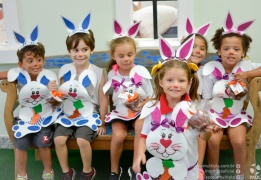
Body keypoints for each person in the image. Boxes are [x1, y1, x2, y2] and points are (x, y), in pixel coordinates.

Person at [133, 36, 219, 180]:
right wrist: (139, 154)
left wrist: (207, 131)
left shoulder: (192, 109)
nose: (175, 85)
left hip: (188, 169)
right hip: (163, 169)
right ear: (160, 82)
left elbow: (202, 137)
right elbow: (143, 135)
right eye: (170, 80)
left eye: (181, 81)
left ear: (189, 83)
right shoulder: (153, 109)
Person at [202, 12, 261, 180]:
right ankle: (214, 173)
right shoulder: (211, 69)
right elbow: (205, 98)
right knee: (213, 140)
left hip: (236, 114)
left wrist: (248, 74)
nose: (231, 52)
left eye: (236, 49)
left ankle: (240, 175)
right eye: (226, 49)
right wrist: (210, 120)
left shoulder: (245, 66)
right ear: (219, 51)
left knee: (239, 142)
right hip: (214, 115)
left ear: (243, 52)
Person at [54, 13, 108, 180]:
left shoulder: (98, 72)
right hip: (68, 112)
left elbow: (103, 97)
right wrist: (54, 92)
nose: (80, 54)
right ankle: (66, 171)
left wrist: (102, 120)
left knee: (82, 140)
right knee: (58, 139)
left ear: (91, 50)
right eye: (75, 50)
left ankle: (87, 171)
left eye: (84, 49)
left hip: (90, 113)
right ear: (69, 52)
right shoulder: (65, 70)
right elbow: (60, 95)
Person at [1, 26, 57, 180]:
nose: (35, 64)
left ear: (43, 60)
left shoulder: (48, 77)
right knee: (20, 143)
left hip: (45, 118)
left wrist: (53, 93)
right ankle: (21, 175)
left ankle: (48, 172)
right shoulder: (19, 75)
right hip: (25, 117)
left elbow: (55, 101)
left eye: (39, 60)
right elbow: (4, 74)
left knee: (43, 143)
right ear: (21, 64)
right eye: (30, 61)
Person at [103, 20, 154, 180]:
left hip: (139, 112)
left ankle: (136, 167)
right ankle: (114, 170)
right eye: (121, 56)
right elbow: (106, 94)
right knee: (118, 135)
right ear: (113, 56)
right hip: (120, 113)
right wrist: (103, 117)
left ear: (135, 54)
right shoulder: (112, 75)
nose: (126, 59)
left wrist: (142, 105)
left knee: (141, 128)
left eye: (129, 55)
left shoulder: (141, 72)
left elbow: (152, 96)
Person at [181, 18, 211, 180]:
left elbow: (206, 96)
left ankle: (198, 166)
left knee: (200, 126)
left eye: (202, 48)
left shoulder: (206, 70)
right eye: (193, 47)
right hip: (179, 107)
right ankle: (176, 164)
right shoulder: (178, 68)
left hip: (198, 107)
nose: (198, 51)